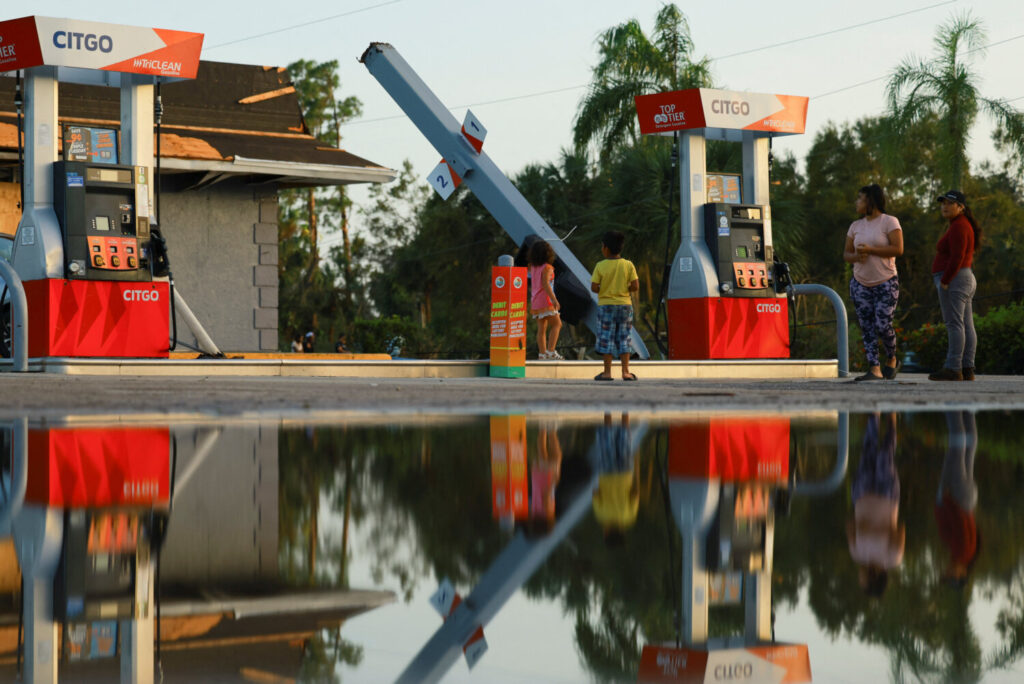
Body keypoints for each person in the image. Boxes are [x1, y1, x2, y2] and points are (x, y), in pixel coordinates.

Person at [843, 184, 904, 381]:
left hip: (886, 282)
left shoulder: (889, 222)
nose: (856, 202)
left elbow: (898, 249)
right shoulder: (855, 226)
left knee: (883, 324)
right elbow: (846, 253)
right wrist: (856, 257)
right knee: (866, 327)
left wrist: (871, 250)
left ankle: (892, 358)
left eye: (860, 198)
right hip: (860, 283)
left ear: (871, 201)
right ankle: (874, 368)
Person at [846, 412, 904, 597]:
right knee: (885, 456)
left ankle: (874, 415)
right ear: (874, 579)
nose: (859, 579)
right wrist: (873, 528)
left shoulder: (857, 555)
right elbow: (901, 530)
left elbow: (849, 526)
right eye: (863, 582)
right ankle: (892, 421)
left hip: (862, 496)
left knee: (868, 451)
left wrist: (868, 527)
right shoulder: (892, 559)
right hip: (887, 497)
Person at [929, 190, 979, 381]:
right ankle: (967, 368)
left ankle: (953, 367)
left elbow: (957, 256)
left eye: (950, 203)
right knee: (966, 324)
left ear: (961, 207)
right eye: (943, 203)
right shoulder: (960, 225)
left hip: (956, 279)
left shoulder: (959, 226)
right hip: (964, 277)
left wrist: (945, 280)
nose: (945, 206)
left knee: (954, 323)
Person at [935, 411, 979, 588]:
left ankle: (968, 407)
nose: (947, 571)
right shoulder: (962, 553)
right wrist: (947, 500)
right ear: (963, 573)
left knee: (969, 448)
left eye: (947, 575)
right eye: (952, 576)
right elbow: (959, 522)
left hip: (968, 500)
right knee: (957, 446)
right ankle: (954, 404)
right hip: (957, 499)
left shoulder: (968, 554)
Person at [591, 230, 639, 381]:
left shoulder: (600, 265)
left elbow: (594, 287)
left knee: (607, 337)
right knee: (625, 337)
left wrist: (604, 288)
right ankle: (626, 372)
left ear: (605, 248)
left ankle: (607, 372)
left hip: (606, 306)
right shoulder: (628, 264)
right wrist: (625, 288)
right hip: (625, 305)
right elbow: (635, 285)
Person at [592, 412, 639, 546]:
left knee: (624, 440)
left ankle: (626, 410)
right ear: (606, 533)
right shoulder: (601, 516)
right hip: (606, 473)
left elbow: (635, 495)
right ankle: (608, 409)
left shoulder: (629, 517)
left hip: (625, 474)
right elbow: (595, 494)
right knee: (606, 439)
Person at [528, 239, 563, 360]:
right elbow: (546, 284)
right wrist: (555, 300)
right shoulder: (548, 267)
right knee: (557, 324)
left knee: (541, 329)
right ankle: (551, 351)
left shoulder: (533, 267)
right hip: (546, 300)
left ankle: (542, 354)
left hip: (535, 301)